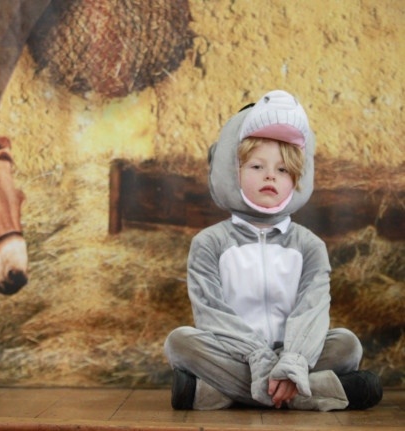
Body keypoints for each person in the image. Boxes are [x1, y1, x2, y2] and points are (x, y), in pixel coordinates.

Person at [163, 90, 383, 411]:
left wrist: (292, 361)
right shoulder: (209, 242)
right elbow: (212, 313)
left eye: (283, 170)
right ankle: (314, 392)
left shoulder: (309, 245)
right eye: (256, 166)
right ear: (232, 171)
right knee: (180, 342)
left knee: (347, 345)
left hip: (294, 351)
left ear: (297, 179)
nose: (270, 175)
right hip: (236, 352)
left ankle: (216, 392)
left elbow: (312, 309)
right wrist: (259, 358)